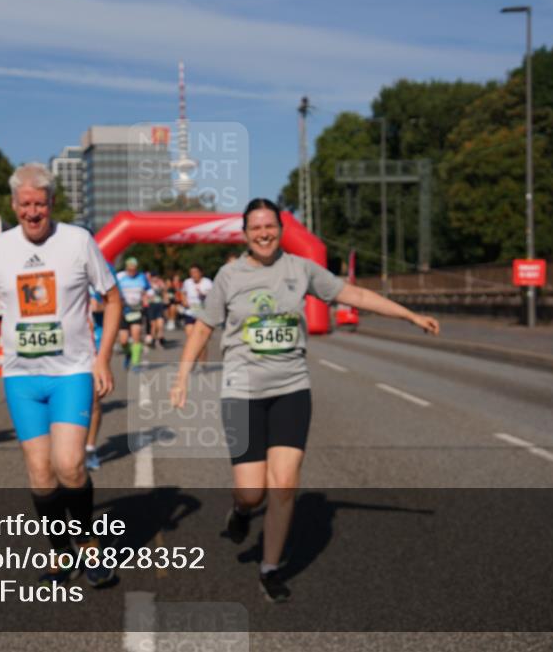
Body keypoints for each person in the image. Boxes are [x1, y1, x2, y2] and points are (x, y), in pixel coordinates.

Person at [170, 198, 439, 603]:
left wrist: (410, 315)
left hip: (291, 389)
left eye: (270, 226)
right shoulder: (229, 275)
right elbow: (204, 327)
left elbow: (354, 294)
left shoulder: (301, 269)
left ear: (281, 229)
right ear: (245, 234)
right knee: (251, 491)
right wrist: (181, 377)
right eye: (256, 228)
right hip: (242, 393)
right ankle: (242, 511)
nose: (264, 234)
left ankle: (270, 568)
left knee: (284, 483)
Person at [0, 162, 121, 587]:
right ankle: (60, 551)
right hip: (21, 378)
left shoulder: (78, 241)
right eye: (25, 204)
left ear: (52, 203)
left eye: (40, 204)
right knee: (40, 473)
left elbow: (113, 299)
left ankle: (88, 545)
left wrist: (103, 358)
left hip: (72, 372)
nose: (33, 212)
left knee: (70, 465)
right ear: (14, 204)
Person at [116, 257, 149, 372]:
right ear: (126, 268)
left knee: (136, 336)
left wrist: (145, 302)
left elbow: (146, 291)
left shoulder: (142, 277)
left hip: (136, 310)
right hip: (124, 311)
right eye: (129, 269)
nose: (132, 271)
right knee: (123, 341)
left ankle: (135, 363)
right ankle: (128, 353)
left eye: (134, 269)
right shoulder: (120, 277)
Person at [180, 264, 213, 369]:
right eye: (191, 273)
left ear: (201, 273)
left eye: (195, 272)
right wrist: (184, 300)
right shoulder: (187, 282)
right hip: (190, 313)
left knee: (201, 341)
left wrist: (203, 295)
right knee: (191, 339)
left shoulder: (207, 283)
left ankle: (203, 363)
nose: (193, 275)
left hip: (203, 315)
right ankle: (193, 359)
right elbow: (183, 293)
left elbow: (213, 297)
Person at [146, 272, 168, 349]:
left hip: (159, 305)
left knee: (160, 325)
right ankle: (153, 339)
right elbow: (144, 294)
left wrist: (162, 287)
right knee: (153, 326)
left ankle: (158, 341)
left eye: (156, 277)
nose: (155, 278)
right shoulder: (147, 284)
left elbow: (165, 291)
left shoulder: (160, 283)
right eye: (153, 277)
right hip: (151, 306)